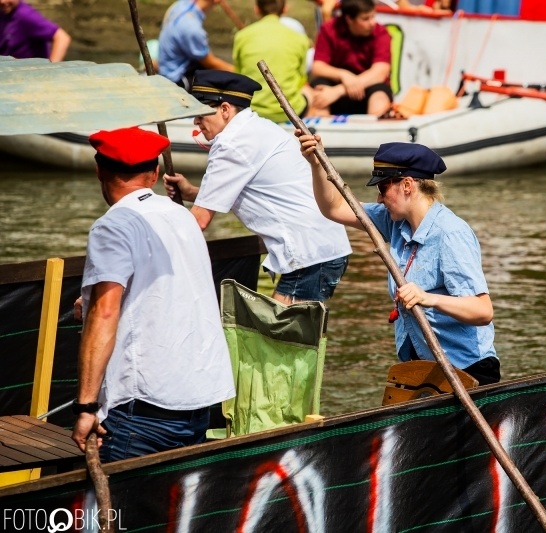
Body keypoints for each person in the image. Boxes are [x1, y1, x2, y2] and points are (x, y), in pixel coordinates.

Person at [71, 127, 235, 462]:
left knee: (120, 512)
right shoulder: (183, 217)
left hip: (143, 407)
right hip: (199, 397)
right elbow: (167, 290)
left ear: (99, 169)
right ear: (155, 174)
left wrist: (86, 406)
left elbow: (105, 314)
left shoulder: (112, 226)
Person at [297, 133, 500, 385]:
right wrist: (316, 163)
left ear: (407, 186)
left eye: (383, 188)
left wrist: (429, 298)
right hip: (423, 367)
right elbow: (334, 207)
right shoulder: (393, 221)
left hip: (467, 370)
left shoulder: (450, 233)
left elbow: (483, 311)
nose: (379, 199)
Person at [163, 70, 352, 304]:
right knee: (283, 334)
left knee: (282, 338)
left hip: (310, 253)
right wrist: (191, 192)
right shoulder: (256, 127)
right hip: (320, 248)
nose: (195, 121)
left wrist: (155, 246)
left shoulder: (231, 144)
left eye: (201, 113)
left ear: (224, 110)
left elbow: (199, 220)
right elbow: (237, 192)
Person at [308, 0, 392, 117]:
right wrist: (343, 74)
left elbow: (380, 73)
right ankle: (321, 132)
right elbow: (318, 67)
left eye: (373, 16)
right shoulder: (329, 29)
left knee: (379, 97)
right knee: (319, 92)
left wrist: (339, 90)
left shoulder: (381, 32)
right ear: (349, 19)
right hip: (335, 86)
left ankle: (376, 131)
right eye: (365, 19)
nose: (372, 23)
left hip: (366, 87)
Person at [233, 0, 311, 123]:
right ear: (285, 9)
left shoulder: (241, 36)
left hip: (252, 109)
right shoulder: (301, 39)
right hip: (290, 112)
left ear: (256, 9)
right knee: (310, 92)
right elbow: (301, 80)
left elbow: (239, 74)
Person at [157, 0, 234, 91]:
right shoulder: (191, 27)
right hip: (175, 79)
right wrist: (241, 71)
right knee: (226, 81)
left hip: (165, 67)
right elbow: (211, 63)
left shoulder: (181, 4)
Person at [0, 0, 71, 62]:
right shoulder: (3, 12)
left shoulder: (26, 16)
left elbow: (62, 37)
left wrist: (52, 69)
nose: (2, 1)